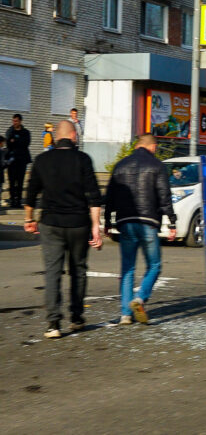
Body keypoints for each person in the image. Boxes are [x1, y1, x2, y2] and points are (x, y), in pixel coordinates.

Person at [24, 120, 103, 339]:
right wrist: (96, 227)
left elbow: (30, 194)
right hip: (78, 223)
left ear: (57, 137)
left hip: (50, 223)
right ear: (73, 136)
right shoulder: (83, 159)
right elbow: (94, 196)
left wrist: (29, 219)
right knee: (78, 270)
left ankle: (53, 323)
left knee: (52, 272)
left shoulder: (42, 160)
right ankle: (77, 318)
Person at [104, 133, 177, 325]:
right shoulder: (157, 166)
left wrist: (107, 222)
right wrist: (172, 222)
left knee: (128, 268)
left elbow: (110, 195)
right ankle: (140, 298)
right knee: (154, 265)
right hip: (148, 222)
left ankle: (125, 314)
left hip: (126, 222)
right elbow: (164, 196)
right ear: (152, 147)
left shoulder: (120, 166)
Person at [6, 113, 31, 208]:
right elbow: (8, 144)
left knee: (20, 181)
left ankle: (19, 201)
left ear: (20, 121)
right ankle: (12, 200)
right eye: (13, 121)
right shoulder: (10, 131)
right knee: (12, 181)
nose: (14, 123)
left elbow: (25, 144)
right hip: (11, 160)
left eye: (16, 121)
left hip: (22, 160)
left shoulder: (25, 132)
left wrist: (15, 141)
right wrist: (15, 142)